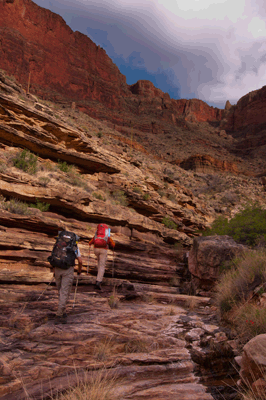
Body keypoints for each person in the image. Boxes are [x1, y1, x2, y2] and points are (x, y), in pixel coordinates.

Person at [49, 231, 83, 324]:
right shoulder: (74, 247)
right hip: (67, 270)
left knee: (60, 292)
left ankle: (63, 312)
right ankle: (59, 314)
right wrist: (79, 270)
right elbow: (80, 261)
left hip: (57, 269)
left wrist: (54, 270)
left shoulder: (58, 245)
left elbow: (53, 256)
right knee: (64, 292)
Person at [89, 223, 115, 290]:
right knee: (102, 266)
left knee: (99, 263)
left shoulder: (97, 234)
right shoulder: (107, 234)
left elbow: (91, 241)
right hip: (103, 250)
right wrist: (112, 245)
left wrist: (90, 244)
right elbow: (111, 243)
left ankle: (98, 276)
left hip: (96, 249)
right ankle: (98, 281)